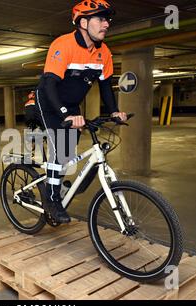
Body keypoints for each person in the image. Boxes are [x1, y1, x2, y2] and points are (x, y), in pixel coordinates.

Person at [35, 0, 127, 223]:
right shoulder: (63, 44)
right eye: (101, 19)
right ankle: (52, 199)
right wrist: (65, 114)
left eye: (108, 20)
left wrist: (114, 111)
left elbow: (105, 86)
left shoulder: (103, 52)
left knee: (67, 156)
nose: (106, 24)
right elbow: (49, 85)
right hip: (48, 102)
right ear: (84, 22)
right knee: (61, 148)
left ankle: (55, 182)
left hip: (72, 106)